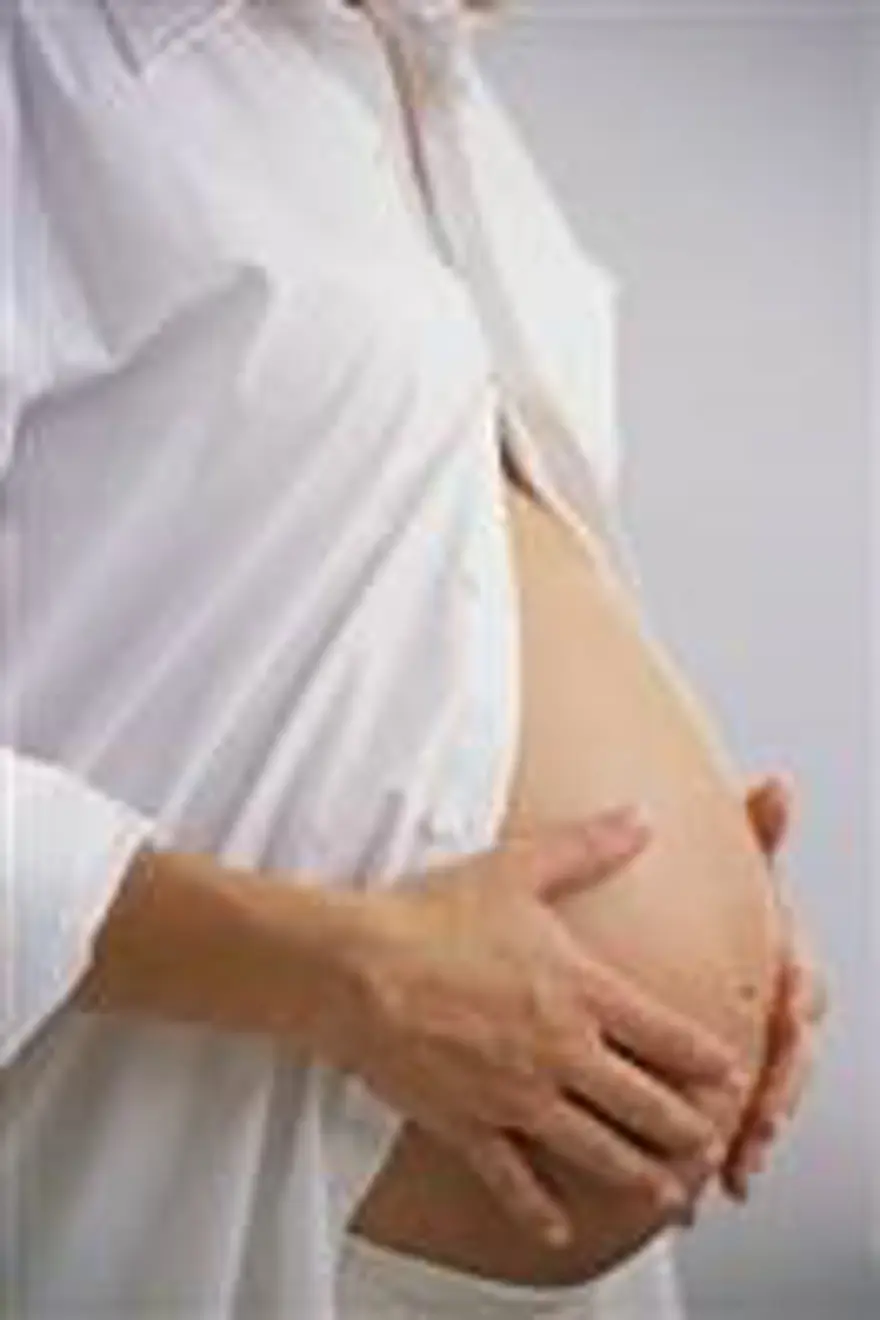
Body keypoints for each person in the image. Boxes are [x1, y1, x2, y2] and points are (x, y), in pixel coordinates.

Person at [1, 1, 827, 1317]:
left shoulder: (425, 85)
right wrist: (339, 973)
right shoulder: (46, 75)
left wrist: (719, 921)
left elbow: (392, 598)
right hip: (178, 1202)